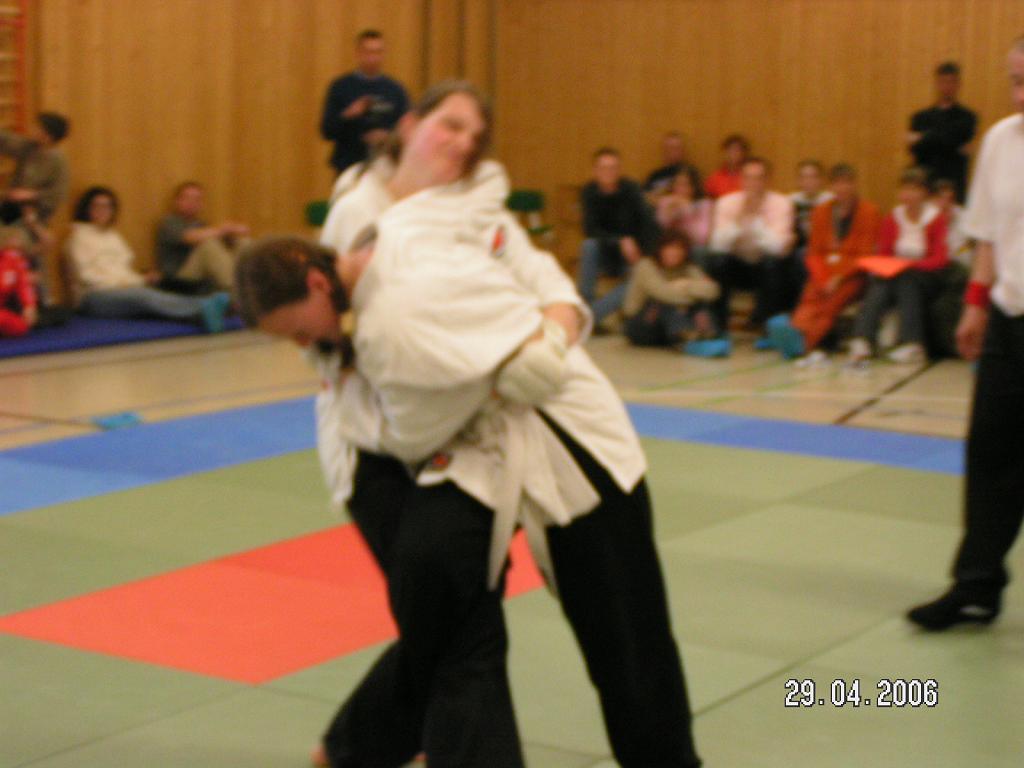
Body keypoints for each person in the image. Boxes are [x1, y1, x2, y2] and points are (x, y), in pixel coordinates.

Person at [254, 81, 701, 768]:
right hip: (390, 447)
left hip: (526, 428)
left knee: (616, 625)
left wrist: (548, 342)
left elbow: (550, 288)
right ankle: (368, 747)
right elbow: (341, 350)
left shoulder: (475, 206)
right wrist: (484, 371)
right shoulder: (359, 216)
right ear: (411, 124)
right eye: (449, 124)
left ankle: (361, 747)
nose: (462, 142)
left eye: (474, 133)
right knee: (448, 617)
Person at [907, 36, 1024, 631]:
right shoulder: (1002, 140)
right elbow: (988, 235)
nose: (1020, 94)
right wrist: (975, 304)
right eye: (1015, 80)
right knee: (991, 452)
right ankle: (976, 584)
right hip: (1009, 316)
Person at [68, 187, 230, 331]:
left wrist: (138, 279)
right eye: (97, 206)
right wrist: (129, 283)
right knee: (142, 296)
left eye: (108, 206)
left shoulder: (113, 236)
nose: (103, 211)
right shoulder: (78, 237)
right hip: (94, 296)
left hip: (121, 289)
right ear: (87, 209)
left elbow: (123, 270)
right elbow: (87, 277)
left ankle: (203, 310)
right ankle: (203, 308)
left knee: (148, 295)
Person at [766, 164, 880, 365]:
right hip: (824, 272)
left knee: (830, 304)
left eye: (847, 183)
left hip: (852, 275)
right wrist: (823, 278)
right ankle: (795, 331)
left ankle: (805, 344)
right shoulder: (821, 211)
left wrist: (839, 277)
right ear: (831, 186)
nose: (842, 188)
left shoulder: (869, 212)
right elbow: (814, 253)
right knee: (810, 297)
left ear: (854, 185)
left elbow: (865, 254)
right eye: (838, 183)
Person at [847, 167, 949, 365]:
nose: (908, 194)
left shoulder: (935, 218)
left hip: (928, 276)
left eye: (914, 189)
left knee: (906, 278)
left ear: (924, 193)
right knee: (882, 284)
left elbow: (940, 259)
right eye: (905, 189)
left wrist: (910, 264)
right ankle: (862, 339)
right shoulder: (893, 217)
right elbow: (884, 253)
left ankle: (913, 343)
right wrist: (894, 266)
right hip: (897, 274)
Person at [707, 157, 796, 335]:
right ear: (741, 180)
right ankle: (718, 327)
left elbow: (777, 248)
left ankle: (766, 327)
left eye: (758, 178)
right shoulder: (726, 202)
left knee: (773, 262)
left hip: (765, 267)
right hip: (737, 265)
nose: (753, 183)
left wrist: (756, 220)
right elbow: (717, 245)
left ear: (767, 180)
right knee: (717, 261)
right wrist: (740, 219)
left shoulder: (781, 203)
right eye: (748, 178)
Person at [577, 147, 660, 325]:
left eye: (613, 167)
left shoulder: (632, 190)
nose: (609, 172)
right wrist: (619, 241)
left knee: (640, 277)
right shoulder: (589, 192)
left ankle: (589, 317)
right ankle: (585, 306)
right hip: (606, 252)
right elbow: (590, 229)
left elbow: (648, 224)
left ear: (619, 170)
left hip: (633, 254)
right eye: (604, 168)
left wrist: (644, 254)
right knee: (588, 246)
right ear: (595, 171)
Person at [0, 111, 71, 300]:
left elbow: (58, 194)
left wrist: (32, 194)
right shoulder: (29, 147)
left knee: (27, 252)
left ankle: (40, 299)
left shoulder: (58, 161)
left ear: (48, 135)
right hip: (11, 207)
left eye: (37, 127)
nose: (32, 130)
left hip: (33, 216)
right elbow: (6, 141)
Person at [320, 29, 409, 175]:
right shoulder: (340, 87)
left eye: (378, 52)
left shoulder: (395, 90)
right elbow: (326, 131)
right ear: (358, 54)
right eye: (368, 52)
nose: (373, 58)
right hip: (349, 164)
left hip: (385, 164)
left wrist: (387, 137)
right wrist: (349, 114)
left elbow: (407, 129)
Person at [622, 231, 719, 349]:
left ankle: (706, 334)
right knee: (663, 302)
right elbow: (663, 293)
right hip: (642, 325)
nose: (674, 252)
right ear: (660, 249)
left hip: (666, 328)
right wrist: (690, 295)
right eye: (670, 248)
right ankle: (684, 335)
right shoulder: (646, 265)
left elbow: (712, 290)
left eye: (679, 249)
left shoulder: (688, 268)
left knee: (700, 302)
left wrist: (685, 285)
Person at [154, 181, 249, 291]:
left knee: (242, 242)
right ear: (177, 201)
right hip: (177, 278)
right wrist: (223, 229)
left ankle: (252, 284)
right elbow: (190, 237)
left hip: (201, 276)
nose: (192, 203)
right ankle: (236, 288)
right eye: (188, 198)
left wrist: (233, 234)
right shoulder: (169, 223)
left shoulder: (201, 225)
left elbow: (218, 238)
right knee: (208, 246)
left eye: (197, 199)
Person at [908, 61, 978, 202]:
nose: (947, 86)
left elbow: (949, 139)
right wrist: (951, 142)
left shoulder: (967, 117)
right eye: (943, 82)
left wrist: (923, 137)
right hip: (926, 185)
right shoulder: (920, 117)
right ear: (937, 84)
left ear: (958, 84)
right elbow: (915, 150)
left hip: (954, 187)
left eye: (951, 82)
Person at [655, 165, 713, 254]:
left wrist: (687, 210)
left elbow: (702, 237)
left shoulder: (704, 204)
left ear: (694, 187)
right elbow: (659, 230)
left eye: (685, 185)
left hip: (693, 247)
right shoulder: (666, 202)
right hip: (669, 248)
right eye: (677, 184)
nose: (679, 189)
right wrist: (669, 213)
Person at [0, 227, 37, 337]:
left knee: (20, 326)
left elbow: (23, 284)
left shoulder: (13, 260)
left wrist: (29, 305)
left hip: (3, 312)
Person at [932, 178, 971, 266]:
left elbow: (966, 248)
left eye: (949, 200)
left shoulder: (964, 216)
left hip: (958, 262)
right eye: (941, 199)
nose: (945, 204)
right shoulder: (927, 216)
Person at [704, 133, 749, 199]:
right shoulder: (715, 178)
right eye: (730, 150)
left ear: (744, 153)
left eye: (737, 150)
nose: (734, 154)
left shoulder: (750, 177)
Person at [643, 131, 687, 196]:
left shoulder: (690, 174)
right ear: (664, 151)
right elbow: (644, 196)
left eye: (676, 148)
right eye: (670, 148)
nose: (673, 152)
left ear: (682, 151)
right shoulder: (655, 176)